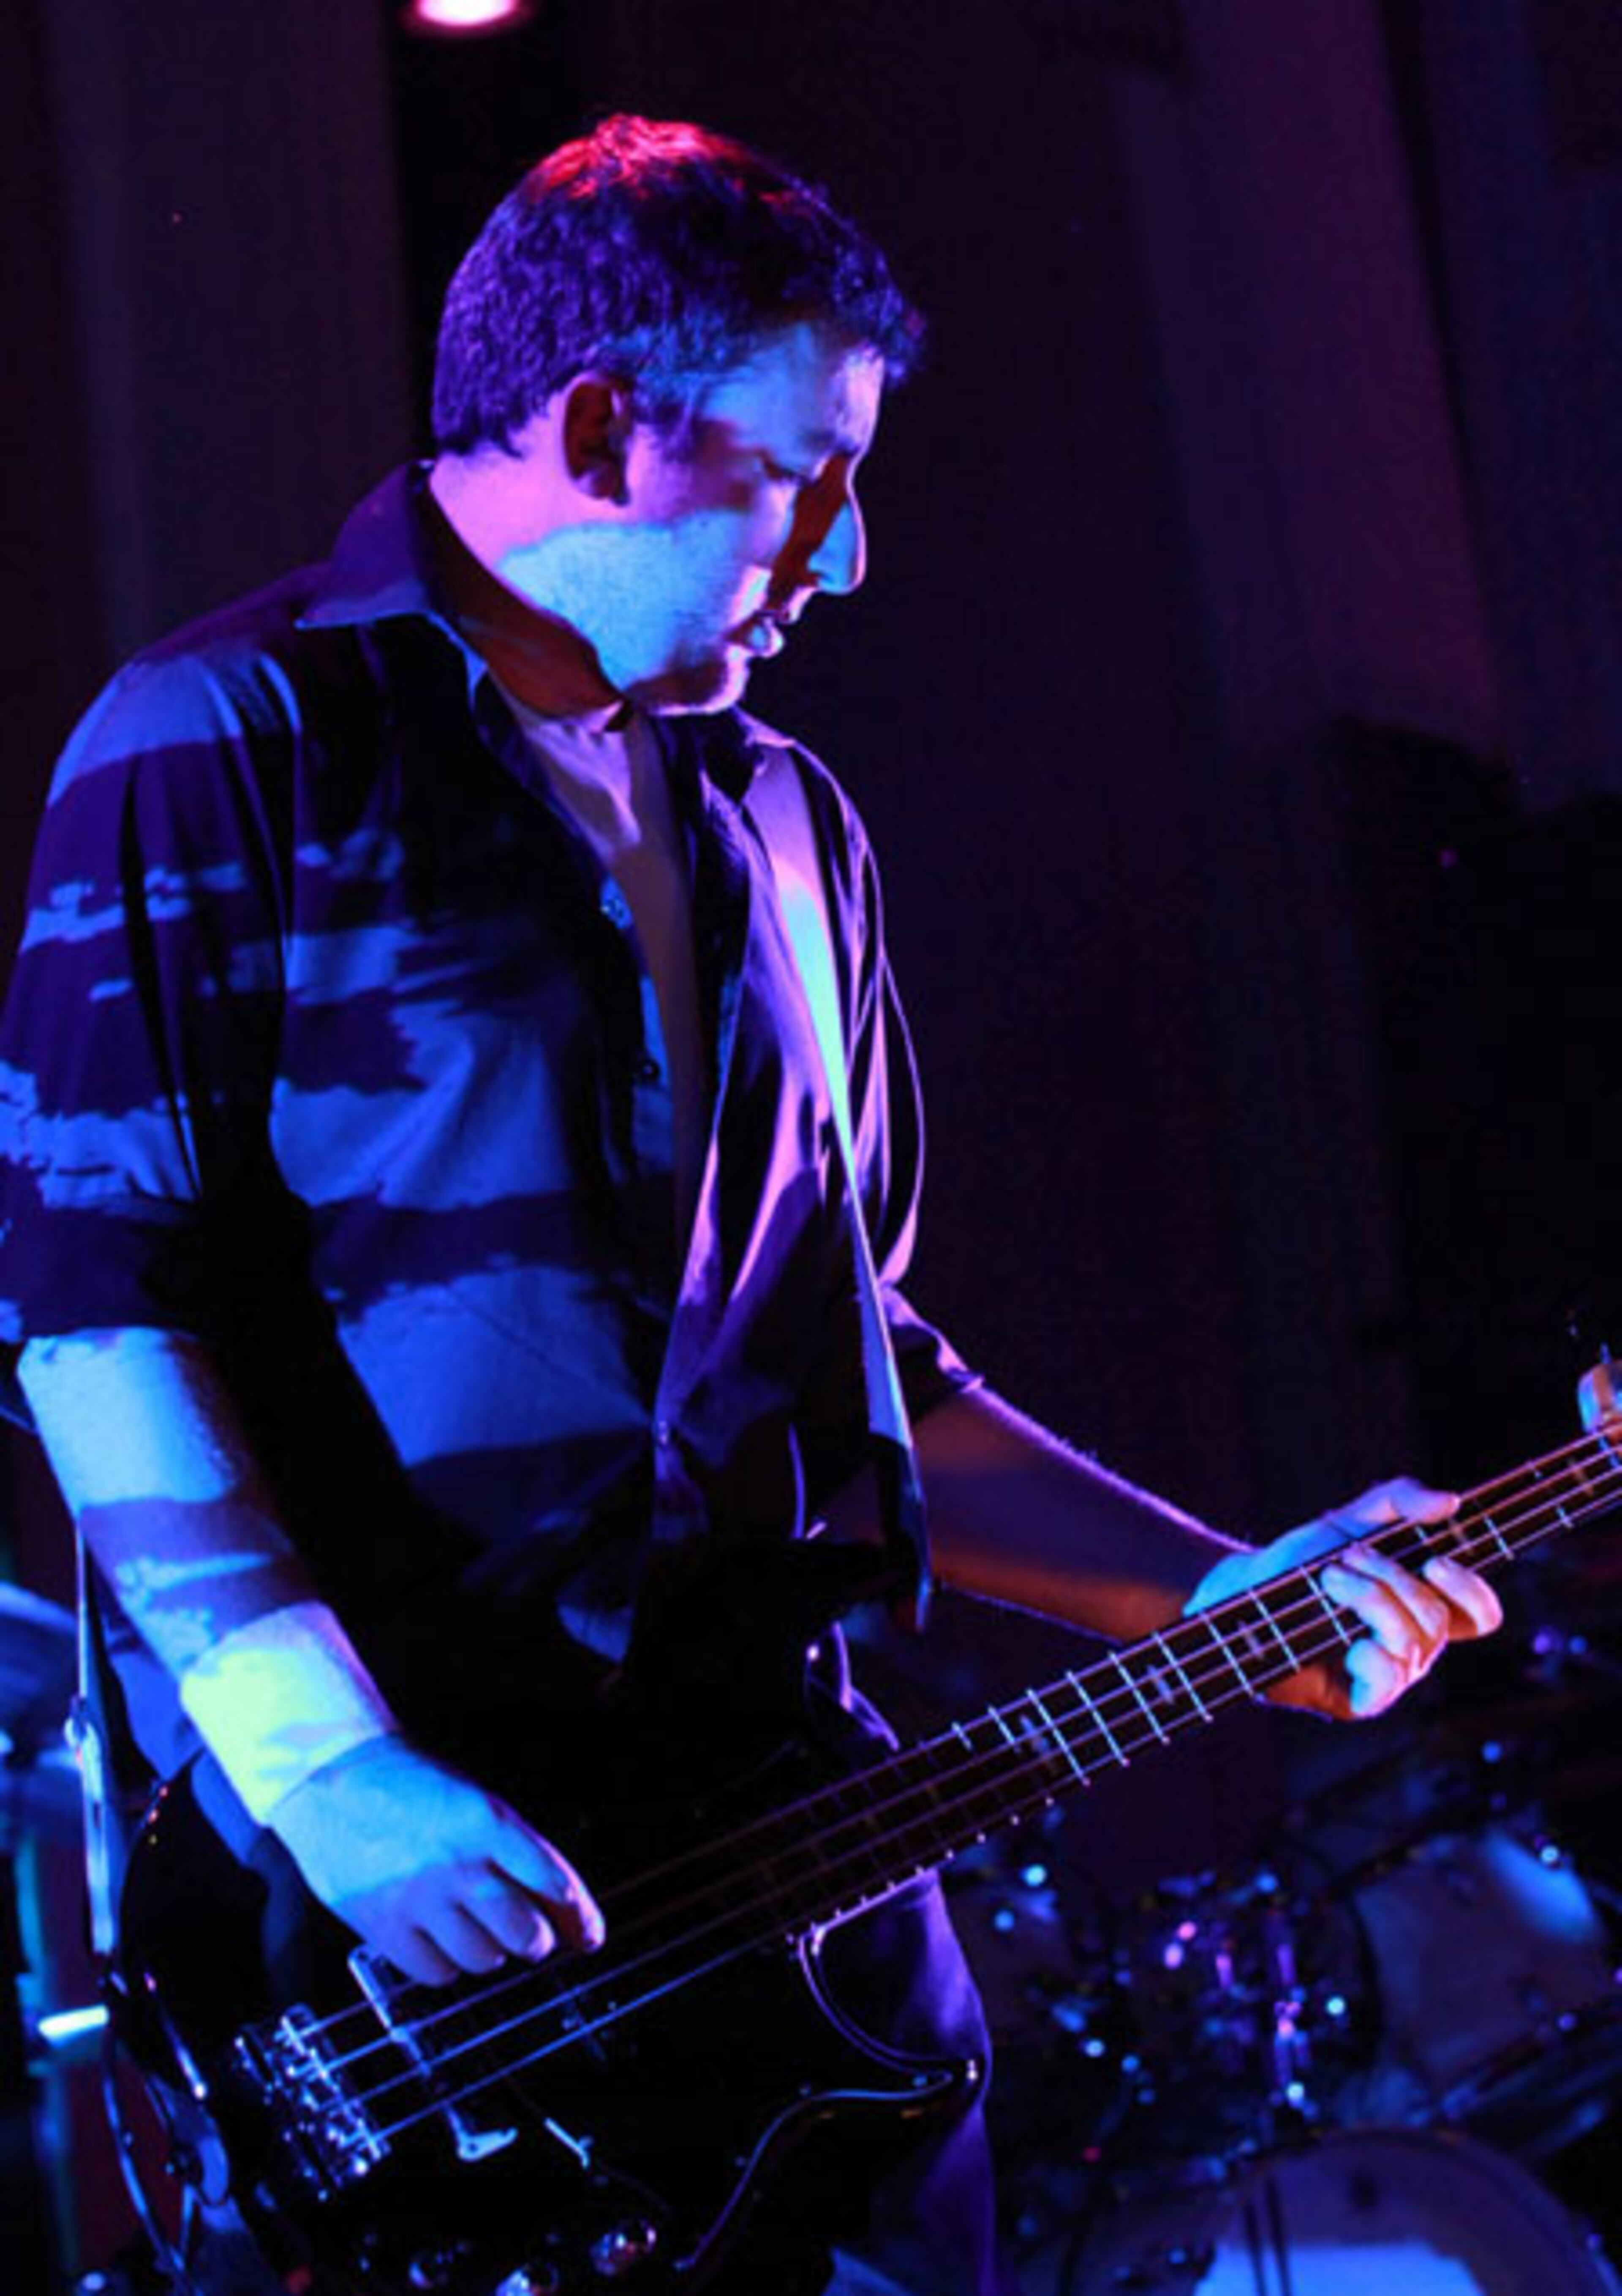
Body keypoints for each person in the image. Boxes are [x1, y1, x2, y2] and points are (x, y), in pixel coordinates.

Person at [0, 116, 1499, 2296]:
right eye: (808, 471)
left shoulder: (786, 822)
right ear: (603, 430)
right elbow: (96, 1319)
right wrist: (333, 1777)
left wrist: (1225, 1607)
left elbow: (876, 1367)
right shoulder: (226, 737)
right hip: (415, 1970)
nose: (854, 552)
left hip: (818, 1929)